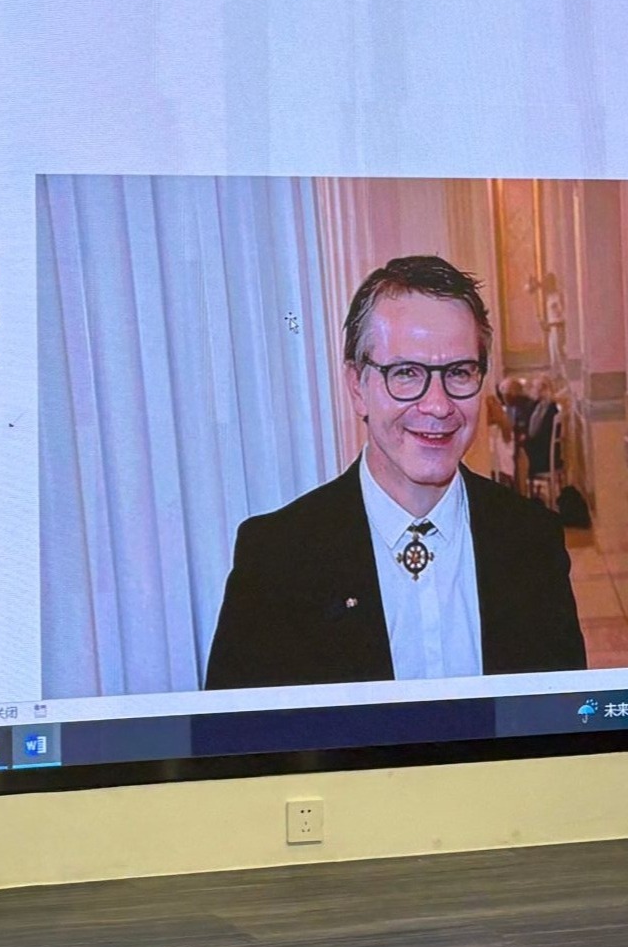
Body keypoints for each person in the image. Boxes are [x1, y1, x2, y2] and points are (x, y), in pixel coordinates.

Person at [204, 255, 585, 691]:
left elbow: (564, 722)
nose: (438, 405)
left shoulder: (533, 541)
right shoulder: (276, 561)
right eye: (406, 373)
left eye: (459, 372)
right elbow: (237, 735)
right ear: (357, 387)